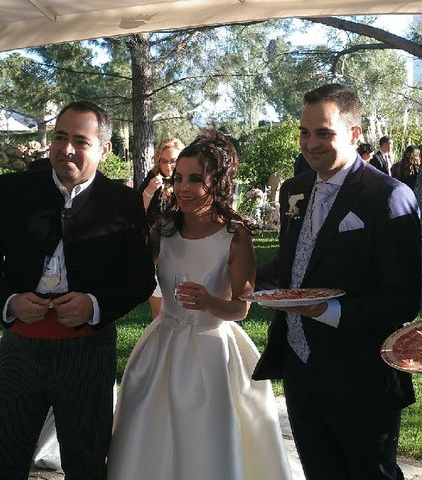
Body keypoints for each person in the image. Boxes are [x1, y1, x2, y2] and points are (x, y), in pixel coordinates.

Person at [0, 100, 155, 480]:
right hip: (21, 350)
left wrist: (95, 305)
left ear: (104, 149)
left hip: (89, 351)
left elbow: (140, 278)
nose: (67, 149)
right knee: (1, 461)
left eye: (81, 141)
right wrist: (10, 301)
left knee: (86, 463)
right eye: (60, 137)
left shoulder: (123, 202)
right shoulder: (13, 190)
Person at [253, 84, 421, 480]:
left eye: (324, 133)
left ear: (355, 133)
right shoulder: (294, 191)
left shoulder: (388, 196)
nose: (310, 144)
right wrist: (246, 277)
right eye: (304, 132)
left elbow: (403, 298)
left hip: (360, 373)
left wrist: (328, 311)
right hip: (300, 366)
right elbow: (295, 263)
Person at [107, 130, 292, 480]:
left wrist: (210, 302)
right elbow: (133, 273)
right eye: (178, 178)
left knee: (207, 436)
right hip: (162, 346)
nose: (183, 188)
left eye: (195, 179)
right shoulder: (164, 229)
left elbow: (241, 308)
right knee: (149, 429)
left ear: (218, 183)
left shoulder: (234, 237)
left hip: (213, 350)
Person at [139, 138, 185, 319]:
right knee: (159, 308)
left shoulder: (189, 180)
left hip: (182, 246)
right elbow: (136, 211)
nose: (168, 165)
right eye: (163, 161)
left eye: (173, 160)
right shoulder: (153, 178)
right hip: (156, 247)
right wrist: (150, 190)